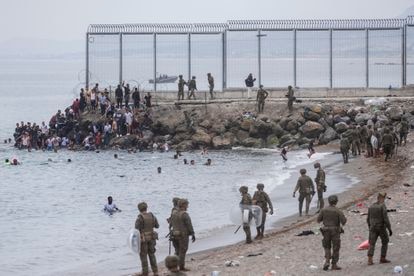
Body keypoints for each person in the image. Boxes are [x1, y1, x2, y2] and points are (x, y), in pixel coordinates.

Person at [317, 195, 347, 271]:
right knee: (336, 247)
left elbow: (318, 220)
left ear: (329, 201)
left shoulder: (323, 210)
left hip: (326, 230)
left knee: (327, 246)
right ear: (336, 202)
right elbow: (344, 221)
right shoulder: (338, 211)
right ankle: (334, 264)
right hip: (335, 231)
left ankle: (327, 261)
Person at [367, 192, 392, 265]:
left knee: (372, 243)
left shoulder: (371, 206)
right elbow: (385, 219)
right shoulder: (382, 206)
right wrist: (389, 228)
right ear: (382, 198)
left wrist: (370, 226)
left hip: (372, 227)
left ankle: (370, 260)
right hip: (381, 227)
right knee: (385, 241)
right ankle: (382, 258)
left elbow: (368, 219)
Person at [170, 199, 195, 271]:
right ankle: (181, 267)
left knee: (177, 251)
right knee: (182, 251)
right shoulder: (184, 214)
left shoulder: (174, 213)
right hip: (182, 236)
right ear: (184, 205)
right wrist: (192, 233)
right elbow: (189, 225)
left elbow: (170, 224)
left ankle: (173, 266)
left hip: (174, 235)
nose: (188, 206)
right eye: (187, 205)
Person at [135, 202, 159, 276]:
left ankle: (145, 273)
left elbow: (136, 229)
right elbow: (157, 226)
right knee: (152, 254)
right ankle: (155, 272)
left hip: (143, 239)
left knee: (143, 256)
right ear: (146, 207)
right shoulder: (152, 216)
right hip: (152, 238)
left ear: (139, 209)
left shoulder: (140, 218)